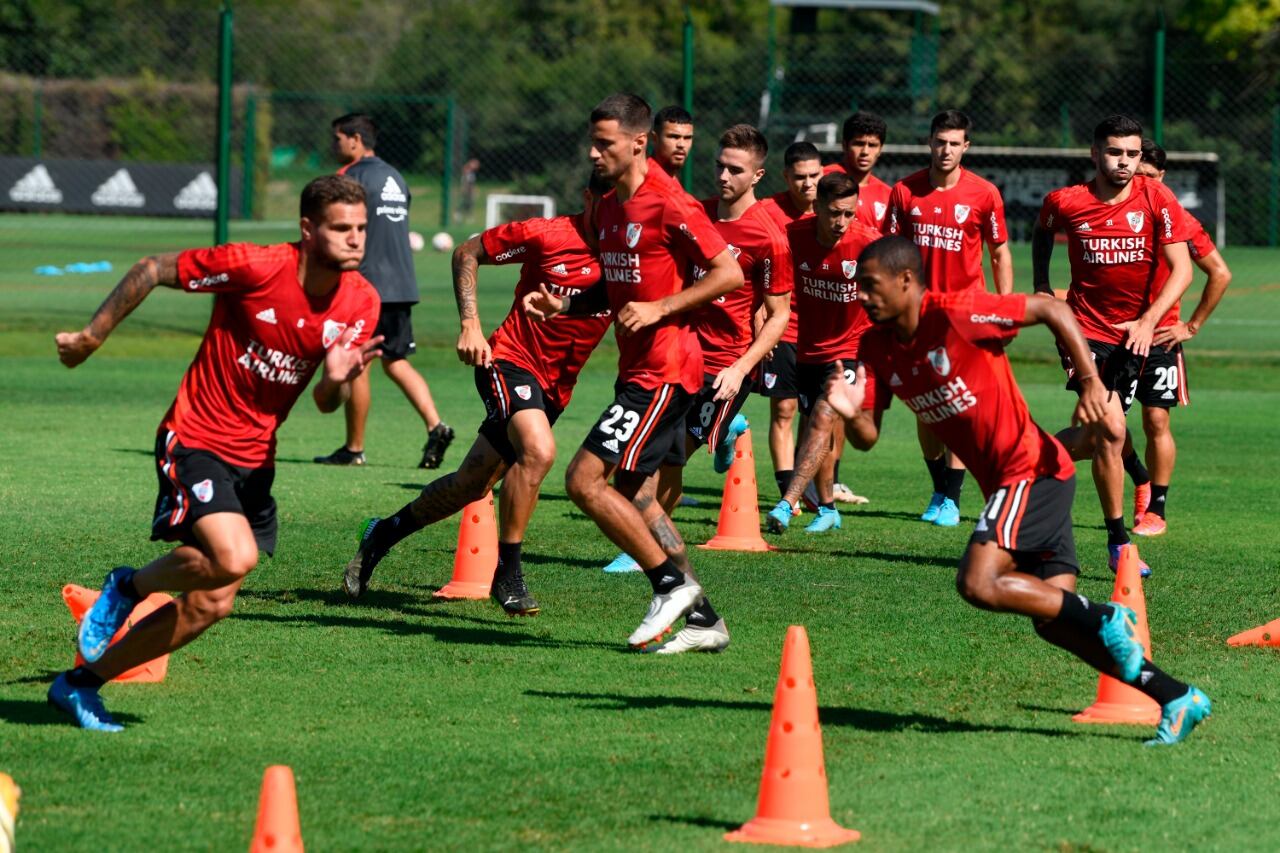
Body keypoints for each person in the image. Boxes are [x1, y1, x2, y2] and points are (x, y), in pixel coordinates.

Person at [823, 234, 1210, 746]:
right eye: (858, 287)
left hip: (1028, 471)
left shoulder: (956, 313)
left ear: (906, 281)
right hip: (1029, 479)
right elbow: (868, 437)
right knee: (1054, 622)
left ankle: (1106, 613)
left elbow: (1051, 310)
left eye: (870, 286)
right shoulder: (876, 346)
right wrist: (848, 413)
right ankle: (1176, 696)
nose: (863, 297)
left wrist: (1092, 382)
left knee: (979, 584)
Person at [48, 176, 383, 731]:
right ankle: (128, 589)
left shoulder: (361, 302)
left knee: (212, 602)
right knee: (234, 558)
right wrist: (91, 337)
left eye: (362, 229)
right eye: (341, 228)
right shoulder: (254, 265)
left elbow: (326, 402)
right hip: (196, 436)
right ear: (307, 229)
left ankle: (81, 683)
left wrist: (337, 380)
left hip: (256, 457)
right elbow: (152, 268)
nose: (356, 240)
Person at [524, 93, 743, 648]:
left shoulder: (670, 203)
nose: (594, 153)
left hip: (667, 370)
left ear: (638, 142)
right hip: (640, 370)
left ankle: (669, 587)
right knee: (637, 495)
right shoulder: (613, 207)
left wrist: (662, 308)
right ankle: (704, 621)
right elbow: (616, 288)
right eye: (592, 142)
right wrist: (566, 306)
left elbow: (728, 274)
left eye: (605, 143)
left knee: (582, 480)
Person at [341, 177, 613, 614]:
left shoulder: (630, 256)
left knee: (471, 484)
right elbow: (467, 251)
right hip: (508, 361)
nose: (618, 210)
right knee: (540, 453)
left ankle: (381, 534)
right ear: (588, 197)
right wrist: (469, 324)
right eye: (608, 200)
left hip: (557, 387)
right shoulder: (549, 234)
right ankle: (508, 574)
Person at [596, 125, 792, 655]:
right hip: (677, 360)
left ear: (757, 175)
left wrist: (743, 367)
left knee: (661, 468)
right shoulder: (695, 213)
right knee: (651, 475)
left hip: (721, 369)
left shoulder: (767, 233)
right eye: (720, 166)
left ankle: (664, 572)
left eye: (736, 170)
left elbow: (777, 315)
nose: (724, 176)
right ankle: (688, 599)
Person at [1032, 115, 1194, 575]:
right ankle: (1119, 543)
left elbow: (1182, 270)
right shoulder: (1066, 202)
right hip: (1086, 332)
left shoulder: (1156, 196)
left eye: (1131, 153)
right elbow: (1043, 230)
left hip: (1139, 333)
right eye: (1114, 152)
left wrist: (1148, 320)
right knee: (1113, 432)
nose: (1123, 162)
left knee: (1093, 436)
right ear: (1094, 153)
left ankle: (1029, 461)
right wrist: (1043, 283)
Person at [887, 110, 1012, 528]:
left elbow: (999, 252)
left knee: (958, 408)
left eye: (955, 143)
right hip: (917, 317)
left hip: (966, 317)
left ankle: (953, 499)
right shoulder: (905, 192)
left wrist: (1004, 307)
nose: (946, 150)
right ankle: (940, 487)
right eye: (940, 142)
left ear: (966, 147)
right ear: (929, 142)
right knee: (927, 411)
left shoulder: (984, 194)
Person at [313, 113, 454, 469]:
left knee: (358, 364)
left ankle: (354, 448)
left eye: (338, 139)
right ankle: (436, 425)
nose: (335, 146)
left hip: (366, 287)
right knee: (395, 361)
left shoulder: (349, 178)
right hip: (402, 283)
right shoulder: (396, 176)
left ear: (355, 140)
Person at [1120, 139, 1233, 536]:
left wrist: (1190, 326)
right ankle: (1140, 478)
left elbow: (1220, 273)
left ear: (1162, 177)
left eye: (1150, 176)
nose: (1143, 183)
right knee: (1110, 424)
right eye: (1136, 176)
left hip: (1161, 339)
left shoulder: (1180, 221)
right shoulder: (1114, 216)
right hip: (1113, 335)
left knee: (1155, 420)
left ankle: (1156, 508)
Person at [764, 172, 883, 535]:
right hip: (807, 351)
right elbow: (766, 280)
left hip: (851, 350)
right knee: (820, 432)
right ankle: (829, 508)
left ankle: (788, 503)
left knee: (822, 417)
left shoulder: (868, 244)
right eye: (834, 213)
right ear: (815, 207)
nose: (842, 222)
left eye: (849, 213)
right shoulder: (793, 237)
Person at [757, 141, 823, 510]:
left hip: (821, 333)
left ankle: (812, 489)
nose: (808, 184)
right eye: (800, 177)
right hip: (782, 326)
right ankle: (788, 495)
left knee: (817, 416)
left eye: (815, 176)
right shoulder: (767, 212)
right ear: (786, 177)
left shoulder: (832, 213)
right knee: (782, 410)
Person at [823, 110, 892, 231]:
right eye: (859, 144)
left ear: (880, 149)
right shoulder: (822, 179)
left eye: (872, 145)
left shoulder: (888, 196)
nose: (865, 152)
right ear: (844, 145)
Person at [651, 105, 694, 180]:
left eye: (687, 138)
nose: (681, 145)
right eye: (674, 137)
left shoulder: (673, 182)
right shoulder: (645, 181)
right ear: (655, 138)